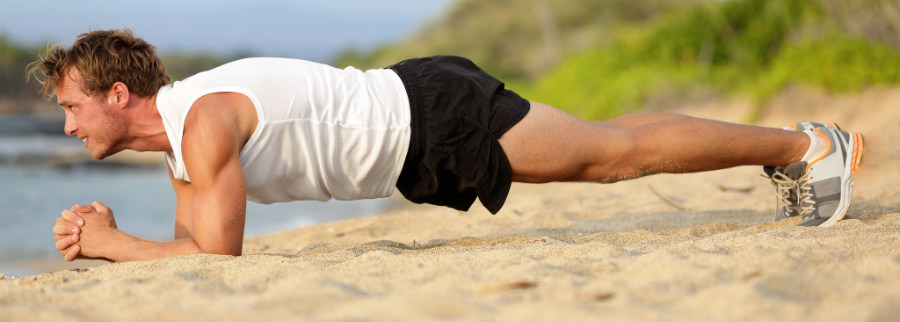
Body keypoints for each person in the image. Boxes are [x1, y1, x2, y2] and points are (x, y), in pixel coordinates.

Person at [31, 29, 863, 262]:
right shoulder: (181, 140)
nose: (67, 126)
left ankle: (800, 148)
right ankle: (795, 146)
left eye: (72, 107)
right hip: (419, 121)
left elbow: (218, 256)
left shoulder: (203, 120)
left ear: (117, 93)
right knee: (613, 148)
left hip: (431, 118)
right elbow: (190, 247)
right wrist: (113, 245)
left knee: (615, 156)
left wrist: (110, 242)